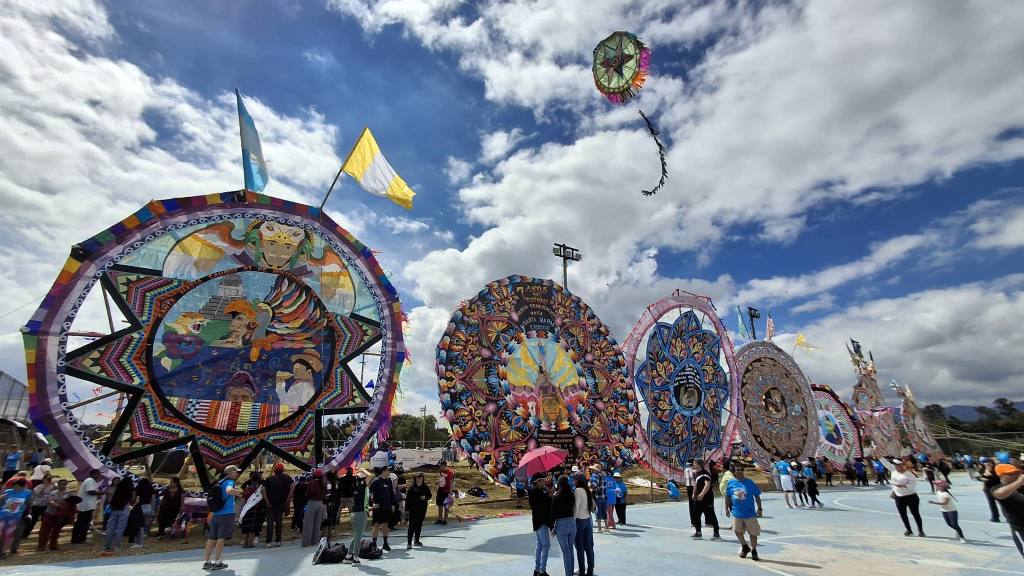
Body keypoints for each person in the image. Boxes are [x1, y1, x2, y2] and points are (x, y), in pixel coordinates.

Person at [202, 465, 241, 571]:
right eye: (236, 472)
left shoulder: (220, 482)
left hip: (217, 513)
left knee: (211, 538)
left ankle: (207, 562)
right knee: (221, 539)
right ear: (230, 473)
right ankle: (217, 562)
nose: (237, 474)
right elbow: (229, 491)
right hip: (227, 513)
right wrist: (238, 493)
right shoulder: (230, 482)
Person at [724, 465, 763, 561]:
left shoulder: (749, 482)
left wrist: (760, 508)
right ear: (734, 471)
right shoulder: (731, 483)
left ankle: (754, 551)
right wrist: (726, 508)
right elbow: (728, 496)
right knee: (737, 531)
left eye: (742, 469)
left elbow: (757, 496)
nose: (740, 471)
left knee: (753, 533)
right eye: (738, 469)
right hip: (737, 512)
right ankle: (745, 546)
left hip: (749, 513)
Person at [880, 457, 925, 537]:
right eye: (896, 466)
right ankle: (909, 530)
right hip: (899, 497)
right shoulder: (894, 471)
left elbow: (912, 486)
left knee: (915, 514)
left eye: (899, 466)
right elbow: (883, 461)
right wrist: (876, 450)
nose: (897, 467)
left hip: (911, 496)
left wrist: (903, 485)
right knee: (903, 514)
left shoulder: (909, 475)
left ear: (902, 466)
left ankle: (920, 531)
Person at [990, 463, 1024, 558]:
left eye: (1017, 473)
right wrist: (1018, 482)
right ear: (1003, 476)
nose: (1017, 475)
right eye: (1012, 473)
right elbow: (1000, 494)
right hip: (1021, 529)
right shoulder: (996, 488)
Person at [37, 480, 76, 551]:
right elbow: (50, 501)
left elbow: (73, 502)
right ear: (58, 485)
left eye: (63, 484)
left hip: (61, 515)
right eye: (60, 484)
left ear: (66, 485)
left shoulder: (70, 493)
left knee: (56, 530)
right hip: (50, 513)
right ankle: (41, 546)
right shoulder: (53, 493)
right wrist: (59, 506)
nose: (62, 486)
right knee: (44, 531)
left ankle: (53, 545)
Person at [101, 474, 135, 556]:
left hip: (114, 509)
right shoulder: (130, 489)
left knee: (110, 528)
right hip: (124, 508)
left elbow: (112, 500)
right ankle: (116, 545)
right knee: (120, 528)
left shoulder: (118, 489)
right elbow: (132, 499)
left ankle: (107, 546)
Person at [262, 463, 293, 548]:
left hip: (270, 504)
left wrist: (267, 501)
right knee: (279, 522)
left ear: (275, 470)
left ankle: (268, 542)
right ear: (283, 470)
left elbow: (263, 490)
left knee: (270, 523)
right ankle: (278, 540)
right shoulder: (288, 478)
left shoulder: (269, 479)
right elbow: (293, 487)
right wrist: (288, 499)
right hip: (281, 503)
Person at [552, 475, 577, 576]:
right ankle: (570, 571)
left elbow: (553, 512)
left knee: (565, 551)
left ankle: (568, 574)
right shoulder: (571, 494)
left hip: (561, 523)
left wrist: (552, 527)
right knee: (570, 549)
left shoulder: (556, 496)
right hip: (571, 522)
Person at [0, 477, 31, 556]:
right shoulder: (8, 492)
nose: (13, 487)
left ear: (21, 486)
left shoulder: (27, 493)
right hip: (3, 516)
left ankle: (3, 552)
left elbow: (28, 503)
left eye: (15, 485)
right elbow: (1, 500)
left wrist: (26, 511)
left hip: (15, 517)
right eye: (13, 485)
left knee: (8, 534)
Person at [690, 459, 720, 539]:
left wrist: (702, 494)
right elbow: (696, 484)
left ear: (699, 464)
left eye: (694, 463)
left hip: (707, 499)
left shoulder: (705, 474)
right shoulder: (695, 473)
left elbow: (707, 485)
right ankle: (698, 532)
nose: (693, 464)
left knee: (711, 515)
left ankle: (716, 533)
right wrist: (693, 493)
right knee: (696, 514)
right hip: (698, 499)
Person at [345, 467, 370, 564]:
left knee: (357, 536)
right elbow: (370, 475)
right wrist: (363, 469)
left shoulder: (354, 486)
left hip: (354, 513)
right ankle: (355, 558)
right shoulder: (362, 485)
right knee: (359, 537)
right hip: (361, 514)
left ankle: (348, 556)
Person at [573, 472, 596, 576]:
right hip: (588, 520)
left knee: (580, 548)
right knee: (589, 547)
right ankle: (590, 570)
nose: (573, 481)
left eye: (574, 479)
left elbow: (576, 509)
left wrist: (572, 522)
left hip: (579, 521)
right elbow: (593, 507)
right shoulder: (587, 490)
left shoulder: (577, 491)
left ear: (578, 480)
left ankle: (582, 571)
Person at [369, 466, 395, 551]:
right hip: (378, 507)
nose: (389, 472)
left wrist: (393, 504)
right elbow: (369, 492)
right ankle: (374, 544)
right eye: (388, 470)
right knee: (376, 525)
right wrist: (372, 503)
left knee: (385, 525)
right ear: (383, 471)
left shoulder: (389, 481)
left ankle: (385, 543)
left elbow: (391, 493)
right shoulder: (376, 481)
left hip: (387, 507)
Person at [73, 469, 102, 544]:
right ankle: (80, 539)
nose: (99, 476)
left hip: (87, 505)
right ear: (93, 474)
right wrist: (101, 493)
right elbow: (90, 491)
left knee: (82, 522)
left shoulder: (91, 481)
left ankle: (77, 538)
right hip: (86, 506)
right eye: (98, 474)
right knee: (84, 522)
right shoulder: (90, 480)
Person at [239, 471, 265, 548]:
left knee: (245, 527)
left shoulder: (248, 488)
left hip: (247, 508)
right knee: (252, 528)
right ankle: (250, 543)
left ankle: (245, 543)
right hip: (257, 508)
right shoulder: (261, 487)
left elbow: (243, 496)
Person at [302, 468, 327, 547]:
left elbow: (308, 493)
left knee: (308, 523)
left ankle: (307, 542)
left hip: (312, 502)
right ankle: (315, 541)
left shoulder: (312, 482)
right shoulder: (323, 483)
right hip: (320, 503)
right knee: (317, 523)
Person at [24, 473, 54, 539]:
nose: (47, 480)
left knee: (45, 521)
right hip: (37, 505)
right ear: (43, 479)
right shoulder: (39, 486)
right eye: (46, 479)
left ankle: (44, 534)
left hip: (46, 506)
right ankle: (25, 534)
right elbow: (37, 494)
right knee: (32, 521)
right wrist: (43, 488)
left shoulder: (53, 487)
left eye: (49, 479)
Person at [406, 472, 431, 549]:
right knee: (412, 526)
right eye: (418, 477)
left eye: (421, 477)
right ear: (415, 478)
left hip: (422, 509)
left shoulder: (425, 487)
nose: (419, 479)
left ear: (423, 478)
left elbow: (430, 495)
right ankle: (409, 542)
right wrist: (407, 510)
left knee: (419, 525)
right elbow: (408, 500)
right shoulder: (412, 488)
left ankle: (416, 540)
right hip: (413, 510)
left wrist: (425, 497)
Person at [131, 477, 155, 548]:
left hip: (140, 508)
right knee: (145, 524)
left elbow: (137, 500)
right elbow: (152, 500)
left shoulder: (138, 490)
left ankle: (138, 542)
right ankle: (145, 534)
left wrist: (133, 506)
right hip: (148, 507)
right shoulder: (151, 490)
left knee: (138, 526)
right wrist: (153, 509)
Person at [435, 460, 454, 525]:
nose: (440, 467)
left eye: (441, 466)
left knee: (446, 506)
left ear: (444, 466)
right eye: (440, 466)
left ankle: (445, 520)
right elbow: (441, 479)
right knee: (439, 505)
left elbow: (451, 482)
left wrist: (450, 492)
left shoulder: (450, 473)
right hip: (440, 490)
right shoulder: (441, 471)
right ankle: (439, 519)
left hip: (446, 491)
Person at [589, 465, 606, 533]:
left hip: (597, 496)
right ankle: (606, 527)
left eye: (593, 469)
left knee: (597, 512)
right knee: (604, 512)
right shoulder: (603, 476)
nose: (592, 470)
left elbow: (593, 485)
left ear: (595, 470)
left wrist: (589, 486)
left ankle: (599, 528)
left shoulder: (595, 476)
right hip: (603, 496)